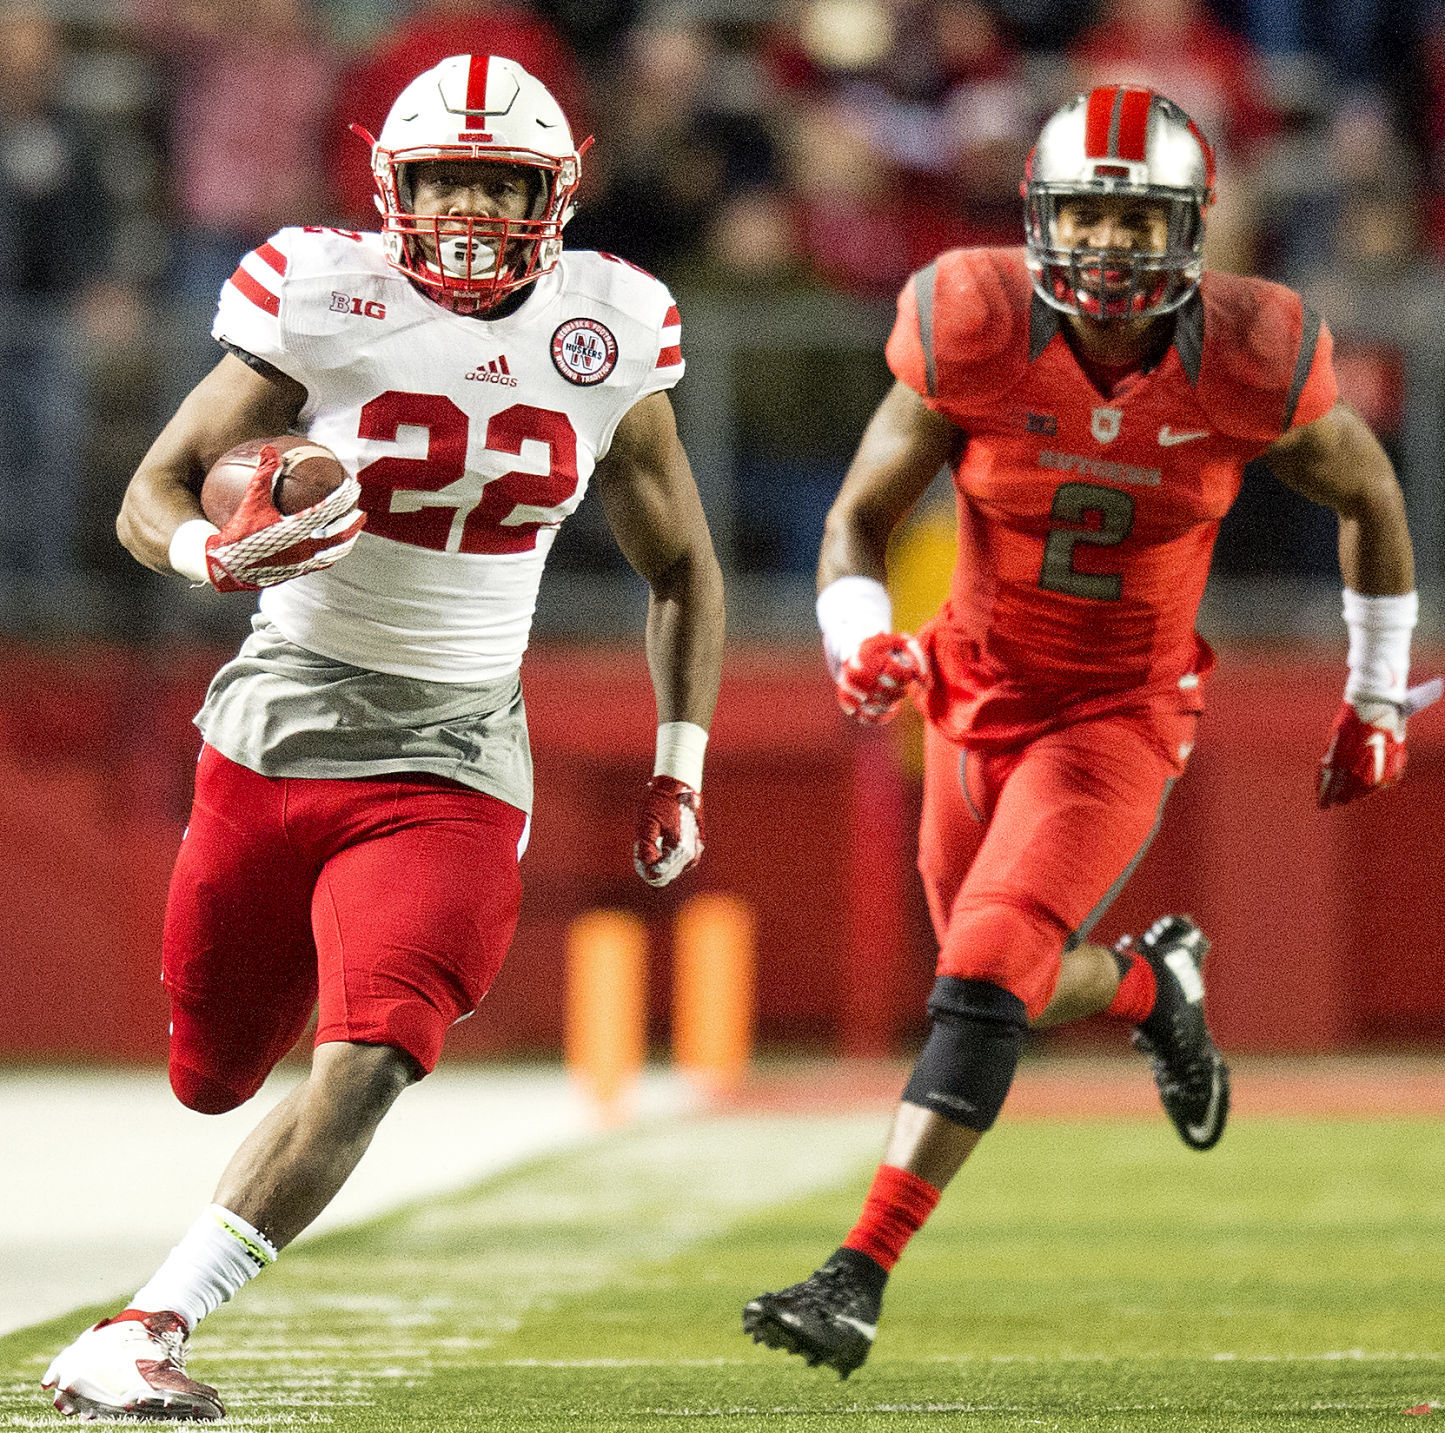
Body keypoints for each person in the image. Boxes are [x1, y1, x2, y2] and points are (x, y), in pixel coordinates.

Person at [42, 53, 724, 1421]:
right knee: (212, 1070)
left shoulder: (611, 325)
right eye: (448, 181)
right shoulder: (320, 288)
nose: (471, 210)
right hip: (278, 719)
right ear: (390, 189)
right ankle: (175, 1252)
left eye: (499, 182)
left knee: (371, 1058)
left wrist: (678, 760)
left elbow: (683, 567)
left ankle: (143, 1325)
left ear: (557, 193)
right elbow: (152, 488)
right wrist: (203, 553)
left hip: (455, 754)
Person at [743, 84, 1435, 1379]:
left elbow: (1367, 490)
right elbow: (857, 515)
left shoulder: (1249, 348)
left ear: (1189, 230)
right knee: (984, 966)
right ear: (1038, 219)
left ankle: (857, 1270)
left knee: (984, 965)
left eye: (1136, 217)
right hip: (971, 688)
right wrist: (853, 637)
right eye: (1088, 214)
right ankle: (1148, 983)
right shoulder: (971, 316)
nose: (1110, 245)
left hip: (1117, 712)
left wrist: (1376, 687)